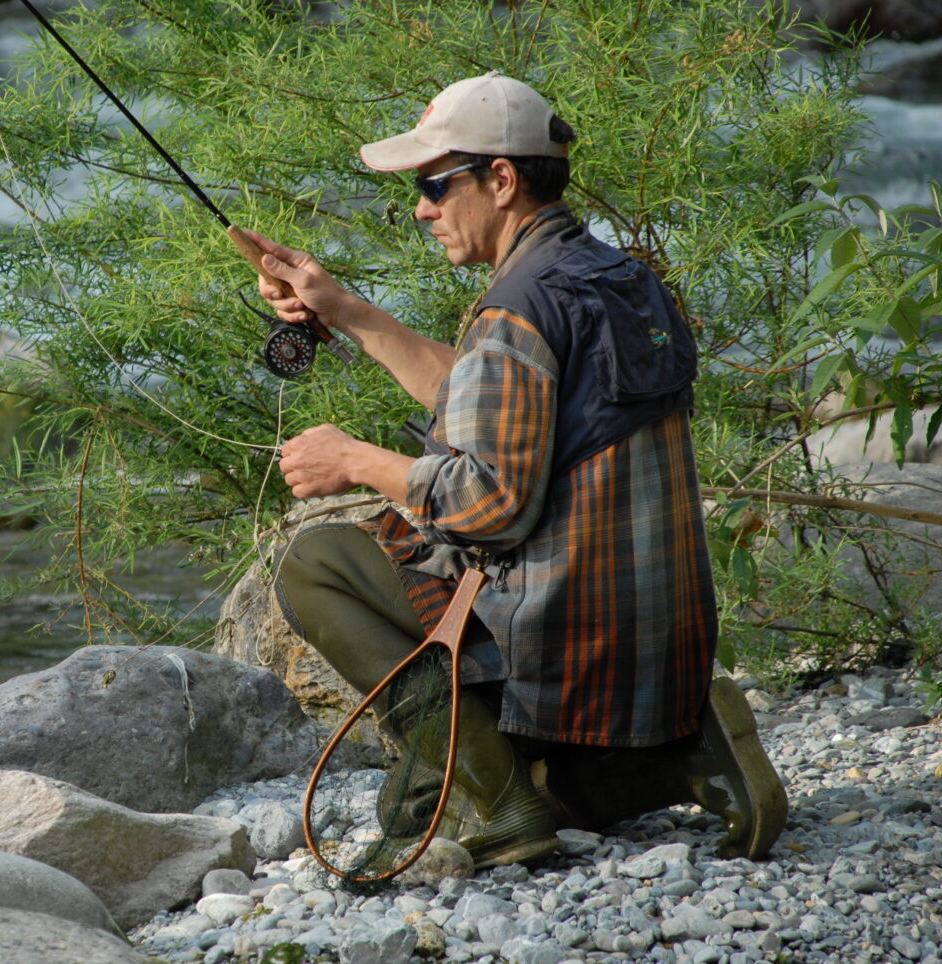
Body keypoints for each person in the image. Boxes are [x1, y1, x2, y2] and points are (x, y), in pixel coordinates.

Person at [250, 72, 787, 868]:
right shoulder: (620, 278)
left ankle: (508, 810)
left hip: (567, 641)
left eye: (435, 185)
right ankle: (683, 742)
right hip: (657, 638)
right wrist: (350, 312)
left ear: (500, 180)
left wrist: (355, 461)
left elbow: (490, 504)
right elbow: (492, 400)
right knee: (452, 782)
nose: (422, 209)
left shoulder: (515, 308)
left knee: (316, 564)